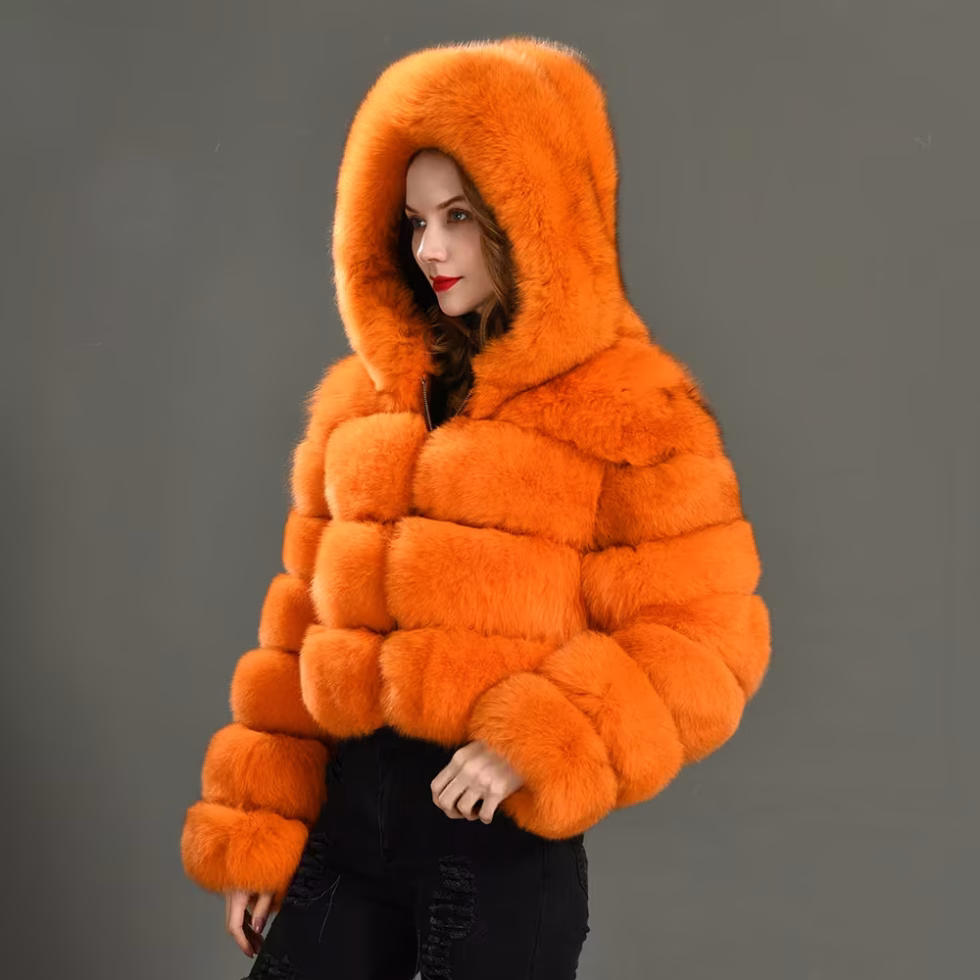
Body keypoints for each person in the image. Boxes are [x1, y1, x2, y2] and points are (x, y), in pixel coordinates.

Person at [180, 36, 772, 980]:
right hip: (348, 828)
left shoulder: (630, 409)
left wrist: (545, 734)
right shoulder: (359, 407)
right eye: (415, 220)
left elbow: (708, 638)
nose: (431, 248)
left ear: (532, 216)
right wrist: (263, 827)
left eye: (459, 215)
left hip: (493, 848)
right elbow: (298, 627)